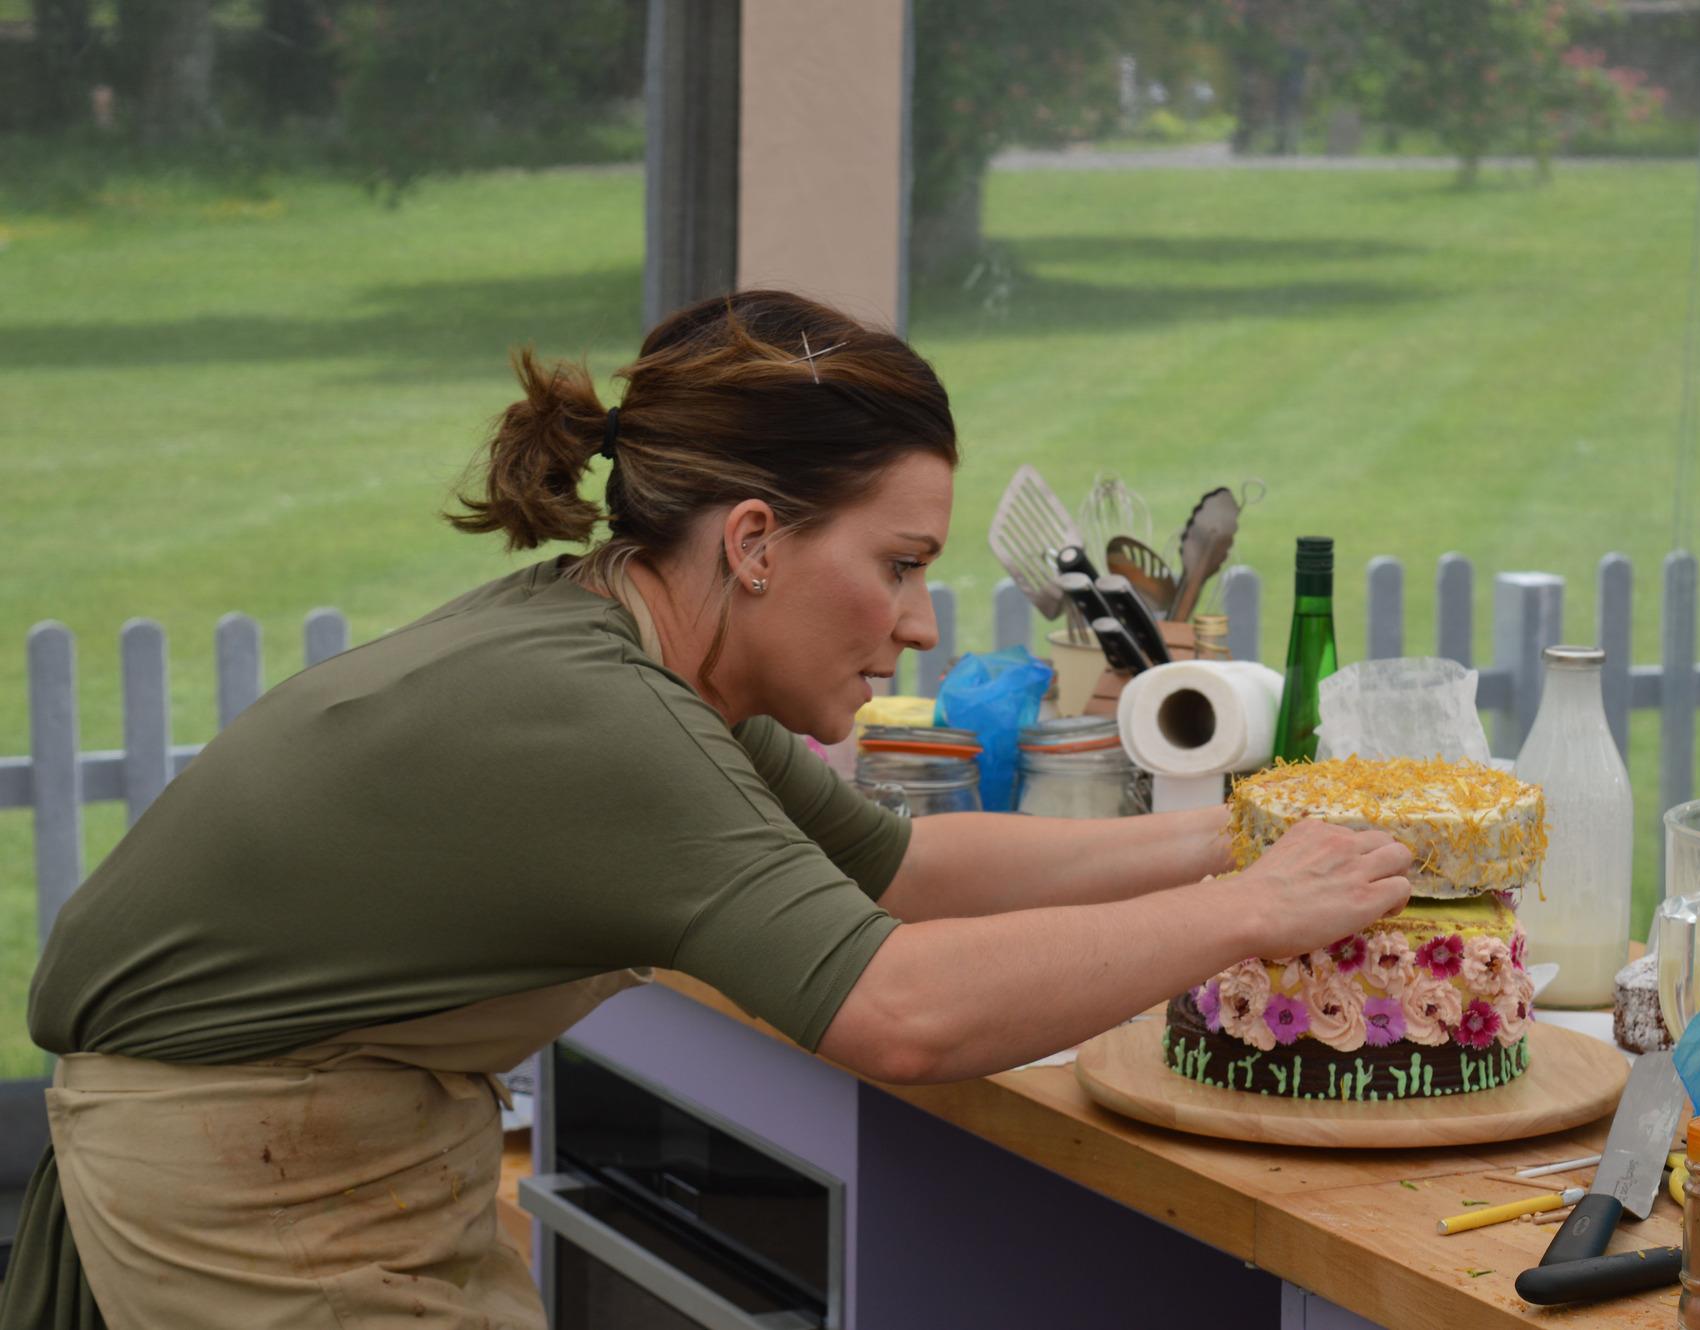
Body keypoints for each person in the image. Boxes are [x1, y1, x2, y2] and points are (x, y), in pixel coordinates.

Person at [1, 290, 1411, 1328]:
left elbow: (904, 868)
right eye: (902, 561)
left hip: (332, 1131)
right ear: (752, 541)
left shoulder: (641, 655)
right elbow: (904, 1009)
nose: (923, 624)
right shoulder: (602, 716)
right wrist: (1251, 913)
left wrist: (1241, 834)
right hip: (253, 1167)